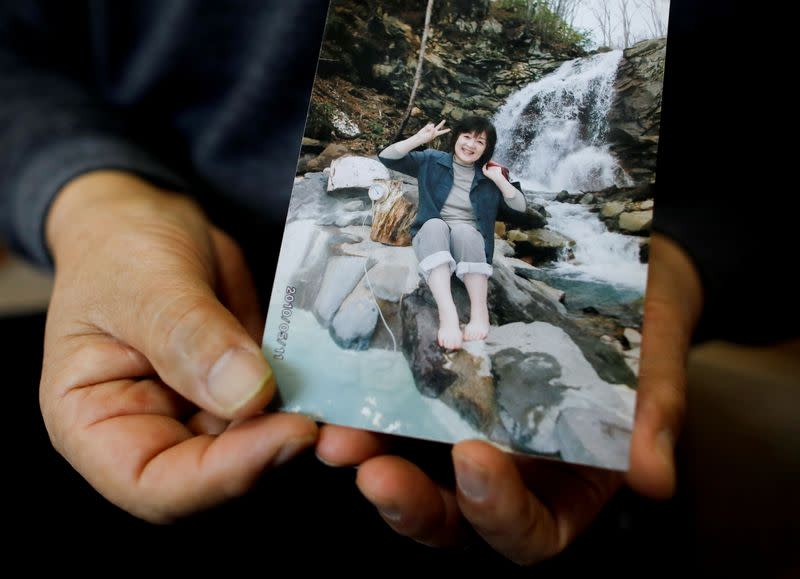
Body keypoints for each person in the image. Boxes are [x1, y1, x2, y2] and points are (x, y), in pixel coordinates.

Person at [1, 0, 794, 571]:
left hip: (568, 485)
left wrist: (692, 259)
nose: (478, 145)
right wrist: (92, 198)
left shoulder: (497, 173)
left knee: (475, 261)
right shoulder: (435, 160)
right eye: (473, 137)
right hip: (188, 366)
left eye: (481, 139)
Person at [377, 117, 525, 350]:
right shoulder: (432, 160)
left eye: (480, 141)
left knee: (466, 230)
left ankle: (479, 313)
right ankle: (448, 316)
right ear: (456, 138)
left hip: (469, 243)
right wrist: (419, 139)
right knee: (435, 224)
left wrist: (500, 180)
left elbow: (520, 209)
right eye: (466, 137)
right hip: (433, 235)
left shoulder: (489, 176)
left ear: (486, 148)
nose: (471, 145)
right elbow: (386, 157)